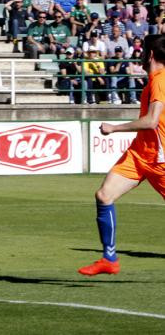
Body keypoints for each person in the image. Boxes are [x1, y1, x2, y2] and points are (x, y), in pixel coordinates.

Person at [78, 35, 165, 276]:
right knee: (104, 195)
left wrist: (114, 128)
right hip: (139, 154)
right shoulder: (154, 80)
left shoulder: (160, 81)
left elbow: (151, 121)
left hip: (160, 160)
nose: (139, 55)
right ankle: (110, 258)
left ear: (149, 55)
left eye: (143, 51)